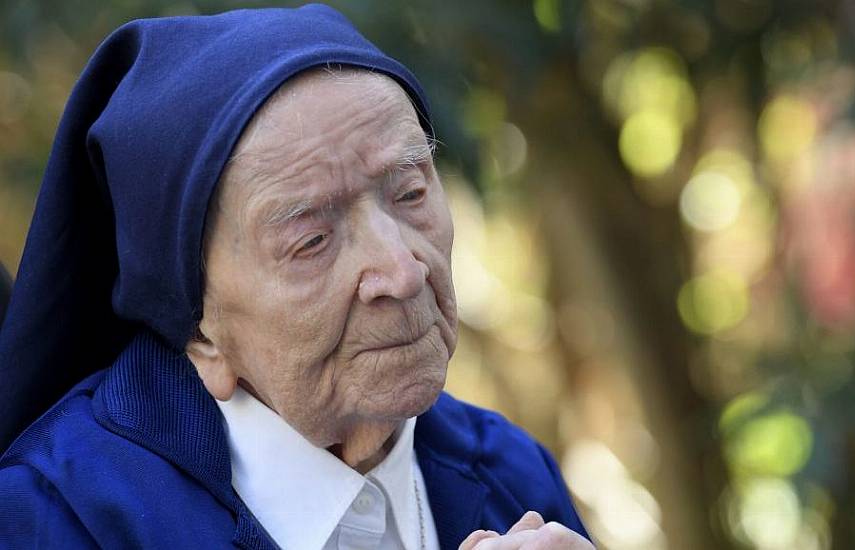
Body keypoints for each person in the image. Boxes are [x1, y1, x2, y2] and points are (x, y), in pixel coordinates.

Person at [0, 5, 593, 550]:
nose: (403, 272)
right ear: (200, 333)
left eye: (410, 193)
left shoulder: (508, 471)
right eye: (311, 241)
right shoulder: (53, 521)